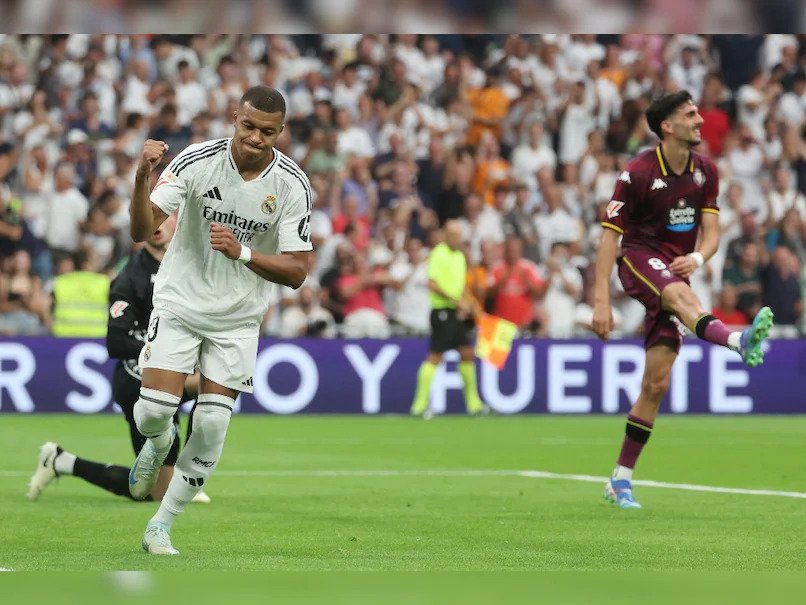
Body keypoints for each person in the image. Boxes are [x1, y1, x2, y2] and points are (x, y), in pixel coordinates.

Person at [127, 85, 311, 554]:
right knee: (152, 412)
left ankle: (161, 525)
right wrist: (141, 176)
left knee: (211, 426)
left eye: (267, 132)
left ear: (280, 132)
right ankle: (160, 437)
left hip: (237, 320)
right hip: (181, 303)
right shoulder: (196, 160)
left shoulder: (292, 184)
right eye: (248, 126)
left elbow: (297, 271)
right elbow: (140, 230)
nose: (255, 138)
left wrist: (244, 251)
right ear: (235, 117)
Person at [591, 90, 774, 510]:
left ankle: (620, 480)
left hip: (677, 266)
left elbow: (710, 234)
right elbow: (608, 240)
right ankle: (737, 342)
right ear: (668, 127)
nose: (700, 120)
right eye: (691, 114)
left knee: (656, 384)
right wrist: (600, 302)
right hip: (638, 260)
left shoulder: (706, 171)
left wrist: (696, 256)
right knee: (680, 295)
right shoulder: (636, 172)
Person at [26, 214, 209, 504]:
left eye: (165, 216)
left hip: (172, 377)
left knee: (215, 382)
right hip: (136, 381)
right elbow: (116, 340)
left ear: (178, 220)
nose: (157, 224)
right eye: (151, 217)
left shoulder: (187, 265)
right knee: (155, 494)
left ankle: (62, 461)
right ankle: (64, 462)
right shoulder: (130, 276)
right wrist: (163, 356)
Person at [410, 220, 487, 418]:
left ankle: (474, 405)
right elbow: (432, 283)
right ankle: (419, 406)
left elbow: (460, 287)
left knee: (467, 353)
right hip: (442, 311)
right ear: (445, 235)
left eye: (459, 235)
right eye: (453, 235)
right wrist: (455, 301)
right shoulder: (439, 253)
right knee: (435, 356)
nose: (457, 239)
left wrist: (473, 306)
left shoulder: (460, 256)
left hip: (456, 313)